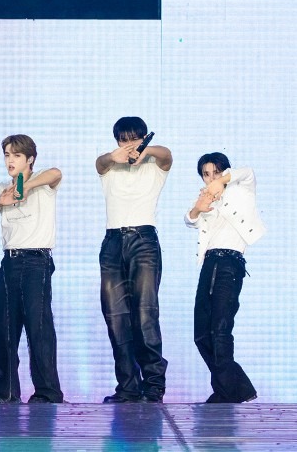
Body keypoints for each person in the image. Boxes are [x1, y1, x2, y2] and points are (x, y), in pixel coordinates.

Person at [0, 134, 64, 404]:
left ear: (30, 159)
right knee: (1, 325)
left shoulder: (42, 182)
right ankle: (6, 391)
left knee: (38, 327)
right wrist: (1, 201)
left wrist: (25, 187)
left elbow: (56, 173)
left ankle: (48, 392)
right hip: (10, 260)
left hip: (36, 260)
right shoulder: (0, 187)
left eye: (16, 155)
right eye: (7, 155)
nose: (10, 160)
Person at [95, 116, 172, 403]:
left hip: (144, 242)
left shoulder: (154, 165)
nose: (129, 145)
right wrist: (113, 156)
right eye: (123, 140)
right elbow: (100, 163)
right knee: (115, 317)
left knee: (144, 314)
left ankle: (153, 386)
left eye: (134, 138)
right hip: (112, 242)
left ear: (143, 137)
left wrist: (145, 151)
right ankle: (127, 386)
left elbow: (167, 155)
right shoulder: (110, 166)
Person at [185, 152, 263, 403]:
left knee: (220, 329)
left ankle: (226, 392)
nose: (211, 178)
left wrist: (221, 183)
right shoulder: (207, 199)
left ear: (225, 172)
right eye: (206, 174)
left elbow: (247, 172)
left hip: (230, 263)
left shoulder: (242, 191)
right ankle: (236, 389)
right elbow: (189, 220)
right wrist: (198, 208)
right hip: (209, 263)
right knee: (201, 333)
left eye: (216, 172)